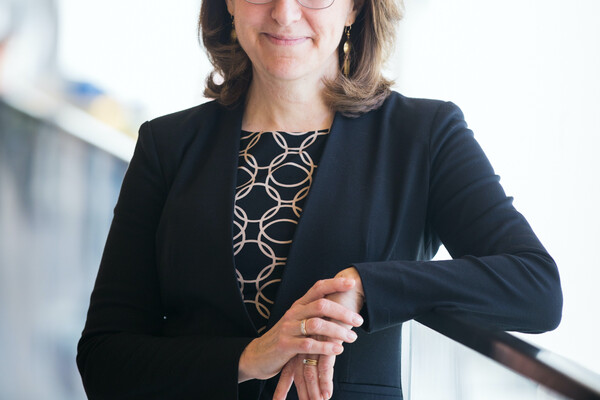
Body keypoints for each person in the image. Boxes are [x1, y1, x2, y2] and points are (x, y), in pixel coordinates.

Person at [76, 0, 563, 398]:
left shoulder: (424, 136)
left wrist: (368, 286)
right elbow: (104, 358)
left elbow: (535, 289)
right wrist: (247, 359)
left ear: (354, 8)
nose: (285, 13)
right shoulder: (168, 144)